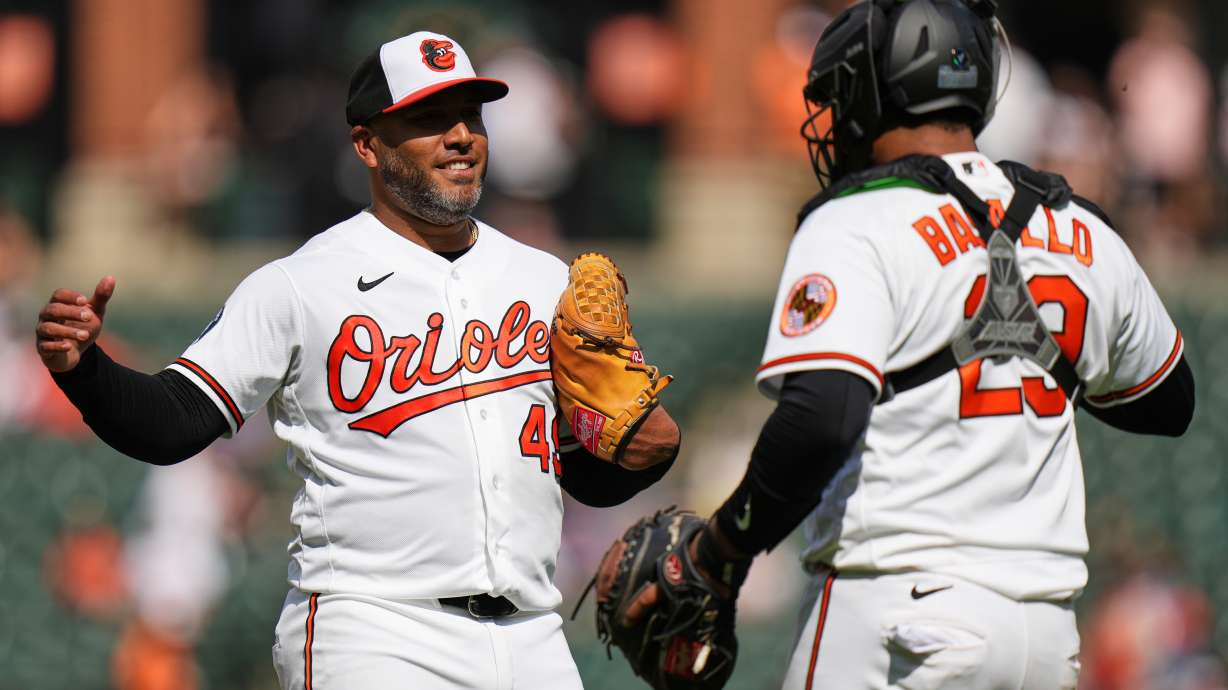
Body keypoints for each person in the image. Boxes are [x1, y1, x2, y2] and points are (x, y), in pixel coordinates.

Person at [35, 31, 680, 690]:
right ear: (368, 144)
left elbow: (582, 475)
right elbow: (170, 422)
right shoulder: (300, 284)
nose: (461, 136)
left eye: (471, 116)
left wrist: (646, 450)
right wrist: (86, 370)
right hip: (373, 634)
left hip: (531, 635)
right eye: (429, 119)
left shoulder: (544, 280)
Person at [628, 2, 1195, 689]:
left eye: (843, 92)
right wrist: (1023, 352)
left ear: (876, 91)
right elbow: (1169, 401)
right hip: (1044, 637)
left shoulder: (858, 218)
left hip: (899, 618)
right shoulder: (1081, 226)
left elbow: (820, 420)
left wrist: (720, 549)